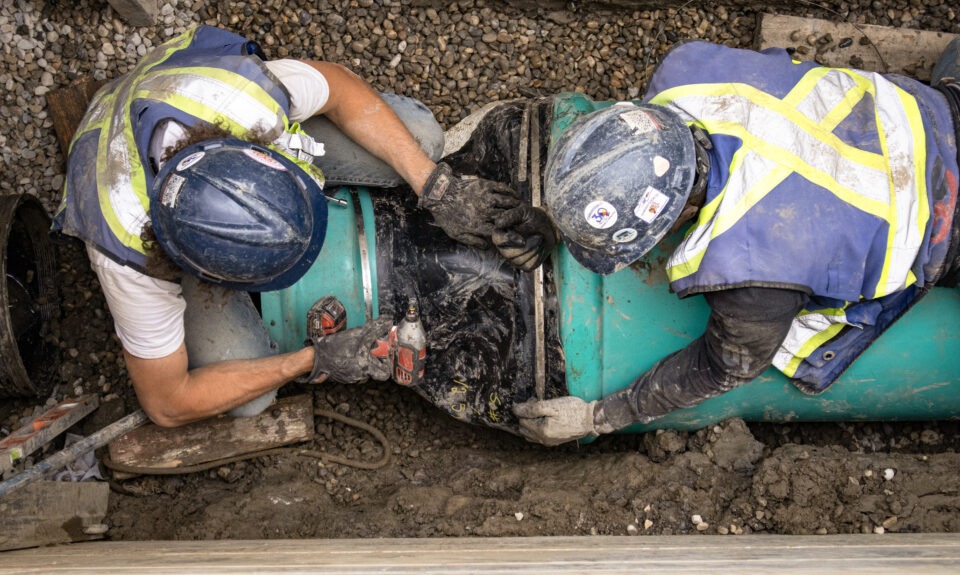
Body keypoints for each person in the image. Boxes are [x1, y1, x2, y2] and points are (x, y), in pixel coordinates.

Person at [52, 25, 524, 427]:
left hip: (174, 92)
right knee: (251, 401)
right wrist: (315, 358)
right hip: (112, 161)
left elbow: (338, 87)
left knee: (421, 134)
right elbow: (168, 404)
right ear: (207, 272)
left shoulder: (241, 102)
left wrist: (435, 186)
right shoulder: (129, 259)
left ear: (264, 157)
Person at [510, 40, 960, 445]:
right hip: (935, 114)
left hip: (948, 225)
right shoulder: (686, 70)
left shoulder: (757, 267)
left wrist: (597, 417)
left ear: (677, 216)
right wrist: (565, 218)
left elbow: (727, 365)